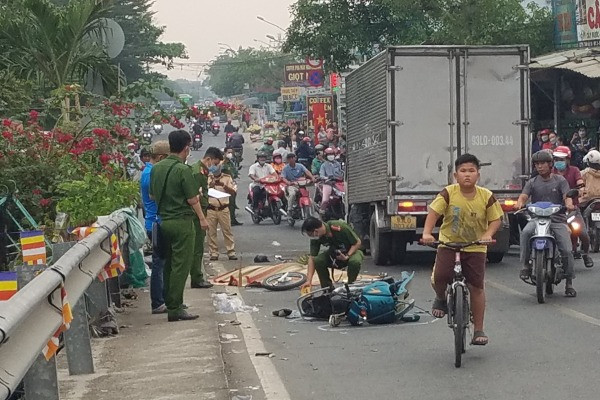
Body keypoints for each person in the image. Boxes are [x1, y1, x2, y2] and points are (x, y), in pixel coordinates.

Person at [422, 153, 502, 346]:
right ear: (455, 175)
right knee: (440, 276)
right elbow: (433, 213)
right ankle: (441, 298)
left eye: (472, 171)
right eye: (463, 171)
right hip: (448, 243)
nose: (467, 175)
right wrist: (427, 233)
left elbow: (496, 219)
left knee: (476, 286)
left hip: (475, 246)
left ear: (478, 175)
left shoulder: (486, 196)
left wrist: (488, 234)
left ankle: (479, 329)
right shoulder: (448, 193)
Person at [150, 130, 207, 321]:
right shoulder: (182, 169)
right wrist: (202, 218)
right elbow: (192, 199)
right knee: (181, 266)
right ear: (186, 147)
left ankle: (170, 301)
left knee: (167, 265)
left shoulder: (157, 168)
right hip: (182, 222)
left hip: (163, 221)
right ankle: (175, 307)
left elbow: (151, 196)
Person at [516, 150, 577, 297]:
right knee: (525, 233)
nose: (540, 166)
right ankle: (525, 266)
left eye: (543, 163)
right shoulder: (532, 182)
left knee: (567, 250)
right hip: (537, 219)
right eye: (537, 164)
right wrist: (519, 203)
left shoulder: (560, 180)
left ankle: (569, 282)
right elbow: (523, 196)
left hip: (557, 219)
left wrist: (569, 204)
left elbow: (567, 196)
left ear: (550, 164)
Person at [140, 141, 170, 314]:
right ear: (160, 158)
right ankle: (158, 302)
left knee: (161, 263)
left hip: (154, 222)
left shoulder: (148, 172)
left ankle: (162, 299)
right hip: (156, 222)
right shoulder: (152, 173)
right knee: (159, 264)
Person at [552, 146, 593, 268]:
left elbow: (580, 183)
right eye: (556, 159)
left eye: (561, 159)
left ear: (568, 159)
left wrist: (580, 189)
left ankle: (585, 254)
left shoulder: (574, 171)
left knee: (583, 234)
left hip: (572, 210)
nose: (558, 161)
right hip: (555, 211)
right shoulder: (550, 173)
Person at [190, 147, 223, 290]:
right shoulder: (198, 172)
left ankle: (197, 276)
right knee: (197, 248)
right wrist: (202, 217)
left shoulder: (200, 170)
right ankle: (197, 278)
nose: (214, 166)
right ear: (209, 159)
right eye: (214, 163)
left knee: (197, 247)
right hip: (197, 214)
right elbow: (195, 197)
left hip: (200, 211)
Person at [300, 217, 363, 289]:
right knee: (318, 260)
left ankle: (351, 287)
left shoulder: (339, 226)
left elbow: (357, 243)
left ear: (316, 231)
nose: (313, 237)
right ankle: (327, 289)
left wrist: (347, 256)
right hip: (335, 255)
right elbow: (312, 258)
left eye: (311, 234)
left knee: (354, 262)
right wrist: (309, 281)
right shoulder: (317, 238)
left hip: (352, 251)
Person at [207, 163, 238, 260]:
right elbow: (201, 192)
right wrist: (210, 186)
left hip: (223, 208)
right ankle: (214, 253)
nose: (215, 167)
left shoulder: (227, 178)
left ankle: (231, 251)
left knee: (227, 231)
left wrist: (223, 185)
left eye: (217, 165)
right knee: (211, 232)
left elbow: (233, 192)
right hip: (211, 208)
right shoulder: (207, 178)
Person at [319, 147, 344, 214]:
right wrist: (325, 178)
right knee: (325, 200)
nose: (331, 156)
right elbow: (321, 175)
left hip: (338, 183)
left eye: (332, 154)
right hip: (328, 183)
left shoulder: (337, 164)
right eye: (329, 155)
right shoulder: (323, 165)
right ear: (326, 156)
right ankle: (322, 212)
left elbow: (341, 172)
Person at [222, 147, 243, 226]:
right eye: (228, 152)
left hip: (231, 184)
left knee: (232, 203)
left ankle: (233, 219)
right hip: (223, 185)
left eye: (231, 152)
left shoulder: (231, 163)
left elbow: (235, 172)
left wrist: (236, 175)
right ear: (225, 153)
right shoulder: (222, 163)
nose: (230, 154)